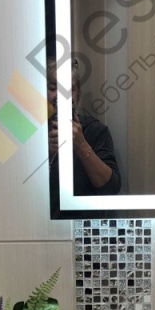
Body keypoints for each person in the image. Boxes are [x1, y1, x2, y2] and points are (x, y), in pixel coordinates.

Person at [47, 60, 121, 209]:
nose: (61, 96)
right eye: (54, 88)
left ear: (78, 93)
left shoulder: (94, 130)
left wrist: (81, 144)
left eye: (69, 89)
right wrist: (45, 154)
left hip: (82, 220)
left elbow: (111, 189)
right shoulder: (29, 133)